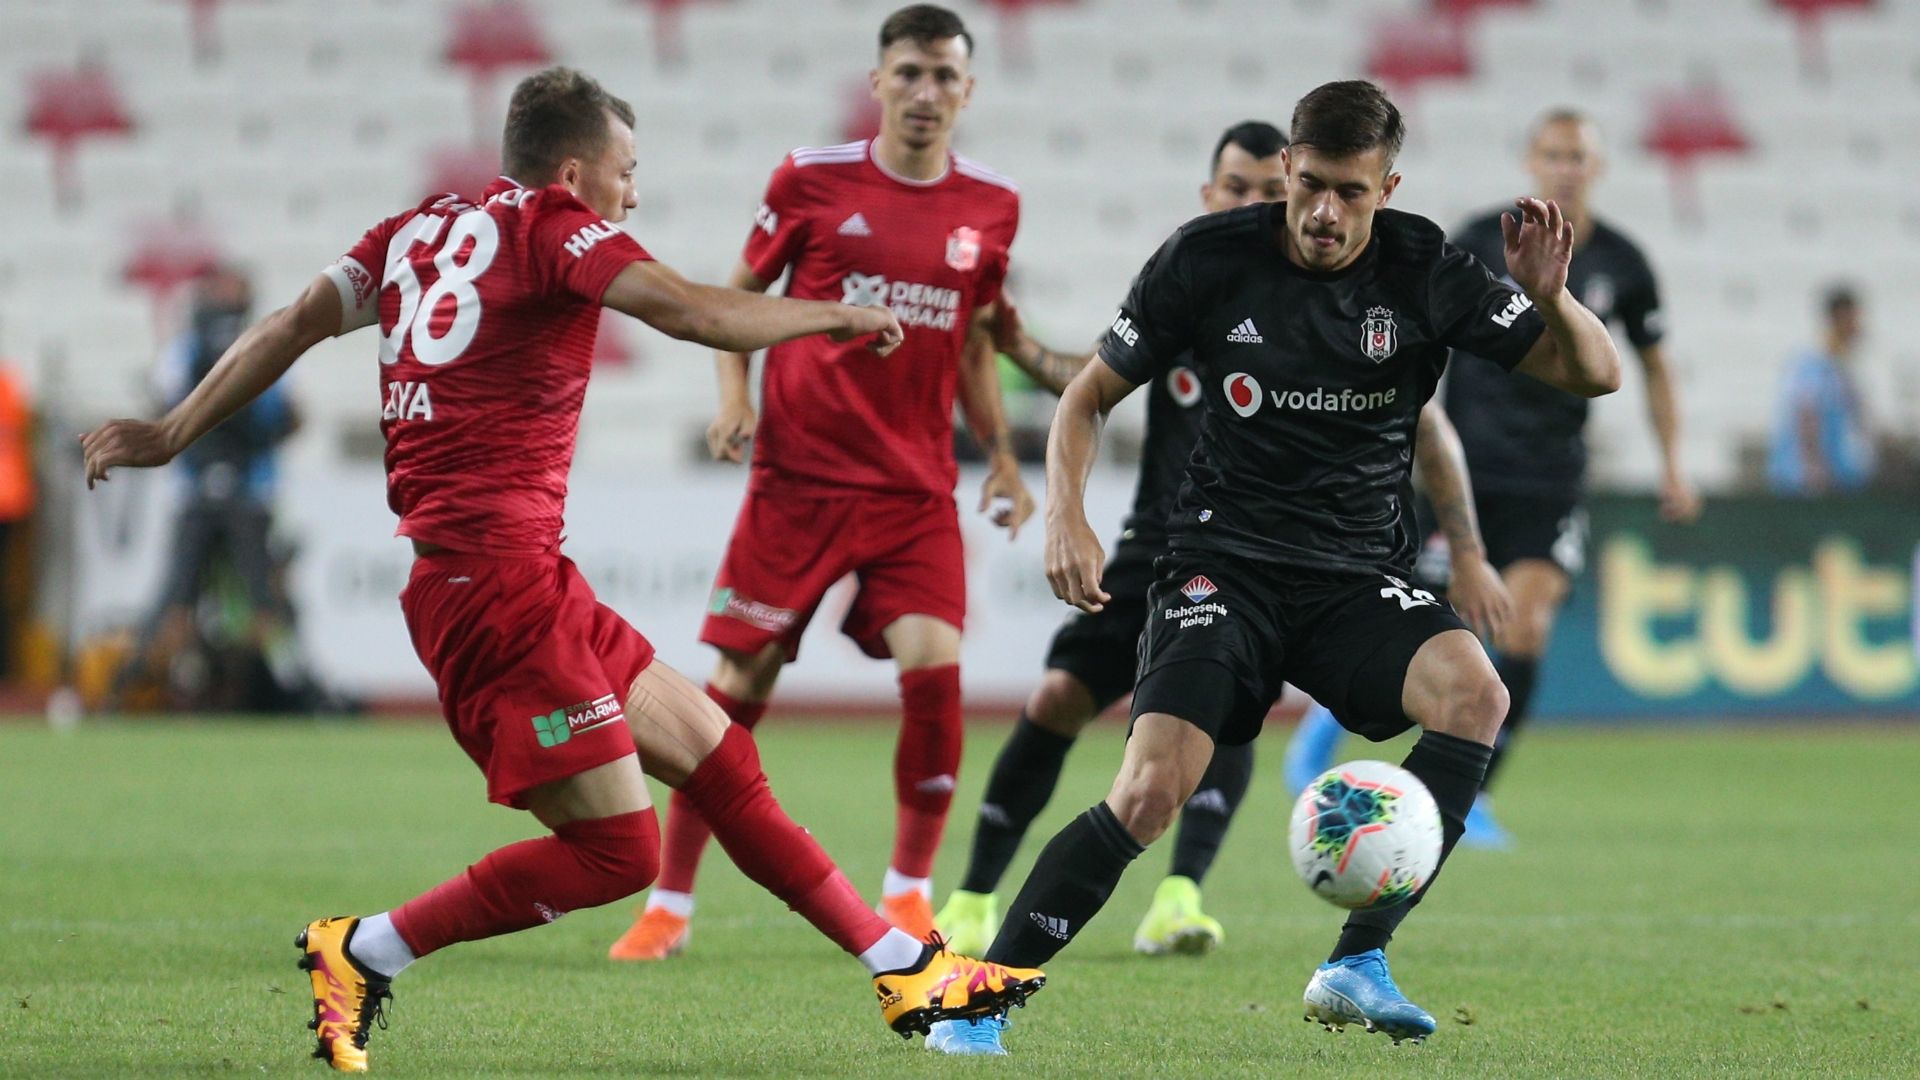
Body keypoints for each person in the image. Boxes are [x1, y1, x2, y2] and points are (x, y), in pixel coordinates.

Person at [79, 66, 1042, 1074]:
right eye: (628, 172)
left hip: (527, 579)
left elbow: (288, 324)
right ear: (576, 174)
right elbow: (693, 312)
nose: (636, 193)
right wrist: (833, 315)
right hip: (492, 593)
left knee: (720, 757)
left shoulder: (412, 231)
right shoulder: (553, 228)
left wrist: (173, 431)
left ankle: (906, 971)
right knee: (618, 854)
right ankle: (364, 950)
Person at [947, 80, 1621, 1054]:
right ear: (1288, 170)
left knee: (1476, 694)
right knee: (1149, 792)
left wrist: (1549, 296)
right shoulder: (1208, 257)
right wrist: (1067, 517)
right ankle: (978, 1006)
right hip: (1223, 565)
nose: (1324, 213)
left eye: (1351, 192)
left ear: (1387, 188)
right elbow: (1086, 395)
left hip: (1353, 577)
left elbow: (1595, 373)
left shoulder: (1427, 268)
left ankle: (1357, 962)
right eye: (1310, 186)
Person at [609, 4, 1032, 962]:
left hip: (913, 489)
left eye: (945, 76)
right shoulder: (810, 178)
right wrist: (734, 398)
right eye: (909, 72)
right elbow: (734, 300)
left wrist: (1002, 453)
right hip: (798, 482)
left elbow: (973, 341)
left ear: (968, 90)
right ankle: (670, 903)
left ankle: (909, 896)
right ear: (878, 81)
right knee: (732, 694)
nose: (925, 92)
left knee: (937, 674)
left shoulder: (993, 205)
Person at [1283, 107, 1698, 846]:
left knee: (1526, 626)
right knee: (1422, 623)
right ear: (1531, 160)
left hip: (1550, 478)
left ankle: (1469, 793)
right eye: (1553, 154)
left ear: (1597, 167)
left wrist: (1671, 463)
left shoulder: (1624, 262)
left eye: (1578, 156)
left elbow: (1652, 366)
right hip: (1463, 472)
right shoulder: (1481, 239)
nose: (1566, 168)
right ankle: (1325, 722)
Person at [107, 265, 316, 710]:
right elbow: (291, 417)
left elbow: (165, 416)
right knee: (245, 595)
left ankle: (136, 689)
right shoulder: (263, 343)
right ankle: (291, 686)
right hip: (242, 491)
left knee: (186, 594)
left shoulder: (191, 350)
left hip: (209, 490)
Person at [1768, 284, 1874, 495]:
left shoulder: (1842, 367)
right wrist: (1814, 468)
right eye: (1853, 319)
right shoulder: (1813, 364)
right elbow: (1806, 414)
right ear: (1839, 318)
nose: (1857, 327)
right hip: (1805, 482)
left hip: (1838, 476)